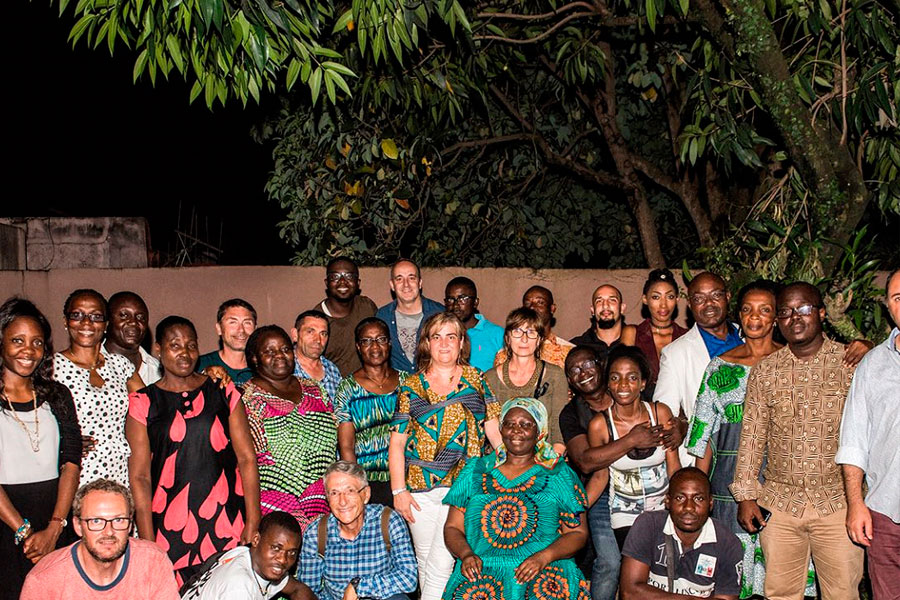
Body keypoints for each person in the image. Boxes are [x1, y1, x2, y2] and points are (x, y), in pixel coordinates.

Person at [685, 280, 820, 598]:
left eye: (765, 310)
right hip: (728, 490)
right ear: (739, 315)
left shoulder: (795, 365)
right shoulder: (719, 368)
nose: (754, 317)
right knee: (732, 581)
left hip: (785, 487)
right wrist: (698, 494)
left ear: (776, 317)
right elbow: (704, 438)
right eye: (747, 309)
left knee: (785, 579)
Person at [731, 282, 864, 600]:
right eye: (785, 312)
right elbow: (752, 435)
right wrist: (746, 495)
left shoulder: (851, 364)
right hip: (780, 505)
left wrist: (870, 347)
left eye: (803, 309)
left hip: (838, 504)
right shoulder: (766, 372)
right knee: (780, 593)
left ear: (821, 313)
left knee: (842, 593)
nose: (795, 317)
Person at [126, 315, 262, 585]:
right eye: (174, 345)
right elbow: (140, 476)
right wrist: (147, 540)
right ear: (158, 349)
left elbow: (247, 458)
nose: (184, 352)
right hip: (167, 527)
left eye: (191, 345)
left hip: (227, 521)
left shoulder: (223, 391)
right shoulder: (143, 402)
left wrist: (253, 520)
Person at [389, 312, 502, 600]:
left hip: (464, 486)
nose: (444, 343)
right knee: (425, 562)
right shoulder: (411, 385)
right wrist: (398, 490)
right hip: (418, 489)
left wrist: (509, 471)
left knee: (442, 561)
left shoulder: (477, 378)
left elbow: (493, 430)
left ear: (462, 342)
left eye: (451, 336)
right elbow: (397, 442)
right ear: (426, 342)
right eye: (436, 336)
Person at [442, 397, 590, 600]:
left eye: (526, 425)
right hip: (482, 573)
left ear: (539, 432)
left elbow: (578, 533)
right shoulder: (476, 470)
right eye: (509, 424)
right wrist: (466, 554)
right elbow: (452, 527)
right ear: (501, 430)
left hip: (542, 571)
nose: (516, 430)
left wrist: (543, 557)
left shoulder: (558, 474)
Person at [0, 298, 81, 600]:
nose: (28, 350)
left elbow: (71, 463)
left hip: (54, 519)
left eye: (37, 342)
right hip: (6, 522)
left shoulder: (57, 395)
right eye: (17, 340)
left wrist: (55, 528)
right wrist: (22, 530)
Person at [836, 268, 900, 600]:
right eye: (898, 297)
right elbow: (854, 440)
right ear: (888, 306)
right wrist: (856, 504)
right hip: (886, 515)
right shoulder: (873, 364)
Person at [242, 325, 337, 530]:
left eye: (285, 349)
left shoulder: (315, 389)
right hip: (274, 509)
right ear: (255, 359)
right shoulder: (245, 397)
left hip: (326, 504)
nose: (280, 356)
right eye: (269, 351)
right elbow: (243, 460)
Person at [20, 478, 180, 600]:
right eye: (96, 521)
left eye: (119, 520)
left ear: (131, 525)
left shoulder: (153, 562)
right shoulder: (44, 581)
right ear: (78, 525)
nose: (108, 532)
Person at [587, 346, 680, 549]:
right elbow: (600, 476)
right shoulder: (600, 425)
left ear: (642, 383)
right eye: (615, 378)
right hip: (625, 512)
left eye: (631, 378)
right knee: (637, 563)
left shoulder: (660, 413)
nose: (623, 385)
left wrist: (677, 503)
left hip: (662, 507)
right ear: (608, 385)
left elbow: (674, 466)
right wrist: (577, 508)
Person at [54, 288, 144, 487]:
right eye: (77, 315)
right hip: (75, 475)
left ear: (106, 325)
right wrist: (60, 442)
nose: (86, 323)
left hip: (119, 473)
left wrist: (202, 376)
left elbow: (154, 406)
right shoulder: (51, 367)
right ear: (65, 322)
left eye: (96, 316)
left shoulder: (120, 365)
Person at [653, 273, 741, 466]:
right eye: (699, 299)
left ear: (727, 297)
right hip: (707, 461)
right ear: (690, 305)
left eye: (715, 295)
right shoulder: (675, 353)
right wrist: (683, 424)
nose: (708, 303)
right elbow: (664, 416)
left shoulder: (749, 338)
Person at [299, 461, 417, 600]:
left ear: (366, 494)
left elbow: (409, 577)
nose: (342, 502)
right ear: (327, 498)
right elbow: (307, 591)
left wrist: (358, 587)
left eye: (350, 491)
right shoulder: (316, 533)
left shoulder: (388, 521)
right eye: (334, 493)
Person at [619, 468, 742, 600]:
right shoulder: (649, 525)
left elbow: (726, 598)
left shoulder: (728, 543)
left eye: (699, 498)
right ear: (667, 501)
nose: (689, 507)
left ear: (710, 503)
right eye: (680, 498)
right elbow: (630, 593)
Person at [334, 318, 406, 507]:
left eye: (381, 339)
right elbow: (346, 446)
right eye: (366, 341)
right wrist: (359, 487)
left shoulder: (408, 383)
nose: (374, 346)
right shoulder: (347, 388)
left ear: (389, 343)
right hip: (369, 482)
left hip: (405, 479)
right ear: (358, 347)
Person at [484, 307, 569, 454]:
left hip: (545, 462)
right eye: (517, 331)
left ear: (540, 339)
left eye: (531, 332)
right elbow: (490, 428)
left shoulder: (555, 375)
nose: (524, 339)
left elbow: (559, 429)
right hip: (501, 462)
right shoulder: (489, 378)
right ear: (507, 338)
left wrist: (549, 466)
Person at [181, 511, 312, 600]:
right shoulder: (238, 587)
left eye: (292, 553)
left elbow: (297, 589)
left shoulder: (245, 554)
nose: (283, 559)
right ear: (256, 539)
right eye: (276, 548)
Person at [376, 259, 444, 373]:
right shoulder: (382, 317)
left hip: (433, 387)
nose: (406, 284)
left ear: (420, 283)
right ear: (392, 285)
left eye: (411, 278)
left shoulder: (439, 313)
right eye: (399, 279)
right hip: (397, 388)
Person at [312, 257, 378, 376]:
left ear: (357, 283)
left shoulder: (367, 307)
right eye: (335, 276)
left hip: (368, 386)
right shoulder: (316, 319)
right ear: (327, 283)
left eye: (349, 276)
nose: (342, 281)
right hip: (333, 389)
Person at [493, 286, 575, 369]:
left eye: (540, 302)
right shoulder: (504, 355)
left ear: (552, 309)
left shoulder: (568, 353)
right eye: (527, 303)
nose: (532, 307)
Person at [633, 270, 688, 391]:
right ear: (645, 299)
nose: (663, 304)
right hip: (643, 406)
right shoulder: (633, 333)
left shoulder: (687, 337)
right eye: (656, 297)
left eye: (670, 297)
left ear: (677, 299)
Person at [443, 277, 504, 372]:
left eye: (462, 299)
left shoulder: (497, 334)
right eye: (450, 300)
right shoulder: (440, 334)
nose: (455, 305)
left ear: (475, 302)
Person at [103, 291, 161, 385]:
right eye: (124, 315)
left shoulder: (158, 372)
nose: (133, 322)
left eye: (140, 317)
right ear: (107, 322)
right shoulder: (88, 365)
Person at [197, 299, 257, 387]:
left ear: (255, 329)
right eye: (233, 322)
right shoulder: (198, 365)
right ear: (219, 329)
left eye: (247, 323)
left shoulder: (264, 370)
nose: (241, 330)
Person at [570, 285, 637, 359]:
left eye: (612, 300)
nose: (605, 305)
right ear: (592, 310)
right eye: (599, 301)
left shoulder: (639, 342)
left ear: (622, 308)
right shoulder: (576, 347)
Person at [291, 310, 342, 400]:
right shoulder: (285, 369)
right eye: (310, 332)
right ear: (295, 335)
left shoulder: (332, 370)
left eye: (323, 334)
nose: (318, 340)